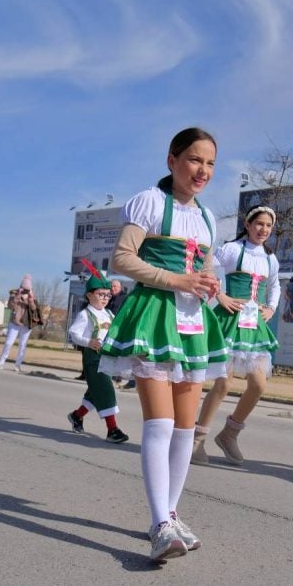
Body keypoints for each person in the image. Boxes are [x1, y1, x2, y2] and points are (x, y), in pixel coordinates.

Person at [98, 127, 225, 562]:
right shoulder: (150, 202)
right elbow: (121, 258)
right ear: (172, 160)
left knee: (186, 429)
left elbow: (205, 269)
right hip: (154, 315)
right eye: (193, 159)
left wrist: (212, 287)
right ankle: (159, 524)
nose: (202, 170)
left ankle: (171, 513)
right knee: (162, 423)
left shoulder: (209, 218)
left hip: (192, 322)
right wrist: (176, 280)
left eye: (209, 163)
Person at [190, 204, 280, 465]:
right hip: (230, 320)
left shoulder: (270, 259)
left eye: (268, 226)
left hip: (254, 326)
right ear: (249, 225)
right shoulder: (232, 249)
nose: (263, 229)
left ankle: (229, 434)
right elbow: (205, 265)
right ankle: (197, 439)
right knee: (224, 382)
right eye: (259, 224)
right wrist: (219, 294)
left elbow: (274, 286)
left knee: (259, 384)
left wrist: (271, 309)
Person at [66, 262, 128, 444]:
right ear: (89, 295)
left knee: (95, 391)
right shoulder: (85, 315)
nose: (105, 298)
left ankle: (77, 416)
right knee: (106, 390)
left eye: (107, 295)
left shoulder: (109, 314)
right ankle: (112, 429)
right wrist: (88, 342)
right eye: (101, 294)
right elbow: (73, 334)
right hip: (92, 359)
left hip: (106, 357)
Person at [0, 276, 43, 372]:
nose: (25, 291)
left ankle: (18, 365)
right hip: (15, 322)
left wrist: (31, 300)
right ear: (21, 286)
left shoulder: (31, 296)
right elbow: (10, 306)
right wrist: (17, 296)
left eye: (27, 289)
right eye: (24, 289)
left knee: (22, 345)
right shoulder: (14, 294)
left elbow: (33, 310)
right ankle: (1, 363)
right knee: (8, 343)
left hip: (26, 324)